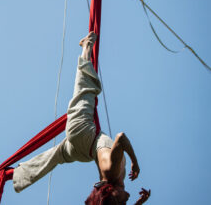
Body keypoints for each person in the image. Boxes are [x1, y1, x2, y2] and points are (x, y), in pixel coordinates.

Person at [13, 32, 150, 204]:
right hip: (83, 152)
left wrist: (135, 163)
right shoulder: (113, 184)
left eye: (122, 203)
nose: (126, 202)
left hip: (83, 133)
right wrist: (140, 202)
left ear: (112, 193)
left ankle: (86, 46)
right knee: (54, 157)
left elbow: (121, 138)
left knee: (86, 89)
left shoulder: (112, 173)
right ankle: (19, 176)